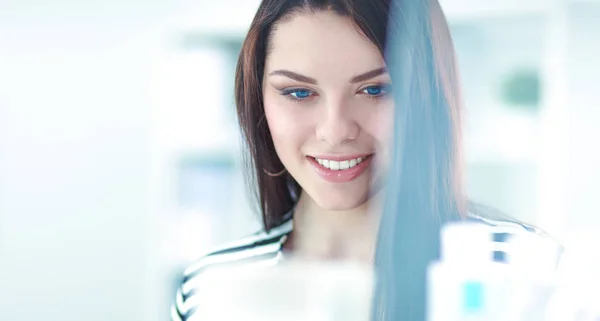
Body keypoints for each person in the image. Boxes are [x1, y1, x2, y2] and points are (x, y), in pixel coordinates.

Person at [171, 0, 559, 320]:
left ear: (425, 96)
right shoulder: (210, 288)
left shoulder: (526, 270)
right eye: (298, 93)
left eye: (375, 89)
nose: (335, 130)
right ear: (259, 101)